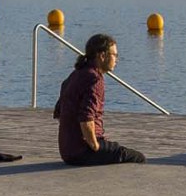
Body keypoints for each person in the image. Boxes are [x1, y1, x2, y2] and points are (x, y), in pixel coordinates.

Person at [53, 33, 146, 165]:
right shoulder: (94, 79)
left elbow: (58, 112)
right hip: (83, 151)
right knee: (137, 157)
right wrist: (95, 145)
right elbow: (86, 119)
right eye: (114, 55)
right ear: (102, 56)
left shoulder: (76, 74)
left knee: (114, 149)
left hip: (67, 151)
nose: (117, 59)